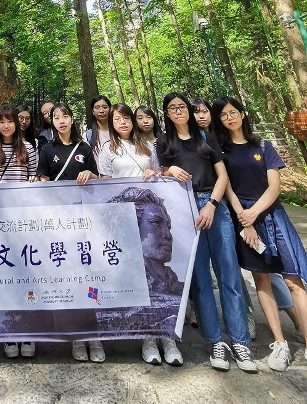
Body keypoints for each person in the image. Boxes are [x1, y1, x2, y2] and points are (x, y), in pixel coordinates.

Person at [156, 92, 257, 373]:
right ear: (167, 113)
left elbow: (222, 175)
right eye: (172, 108)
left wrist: (212, 205)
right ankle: (215, 341)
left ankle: (240, 341)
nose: (178, 111)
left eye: (181, 106)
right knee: (200, 279)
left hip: (214, 206)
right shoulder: (164, 142)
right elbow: (159, 173)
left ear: (189, 110)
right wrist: (169, 170)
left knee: (229, 274)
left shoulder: (205, 137)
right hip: (184, 211)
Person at [212, 96, 307, 371]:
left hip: (273, 216)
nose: (229, 118)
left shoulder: (263, 146)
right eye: (223, 115)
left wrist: (254, 213)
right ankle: (280, 342)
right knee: (261, 280)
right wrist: (246, 221)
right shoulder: (222, 150)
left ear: (242, 114)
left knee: (293, 281)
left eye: (233, 112)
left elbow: (275, 186)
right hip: (245, 220)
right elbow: (227, 187)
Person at [98, 104, 182, 367]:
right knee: (136, 275)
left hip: (151, 207)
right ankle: (147, 339)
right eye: (117, 120)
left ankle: (168, 339)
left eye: (126, 118)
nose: (122, 123)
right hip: (126, 216)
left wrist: (154, 173)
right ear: (112, 124)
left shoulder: (146, 145)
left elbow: (159, 174)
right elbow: (105, 183)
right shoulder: (107, 149)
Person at [37, 103, 100, 362]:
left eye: (65, 116)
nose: (61, 121)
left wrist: (89, 173)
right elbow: (42, 181)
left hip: (85, 221)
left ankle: (95, 336)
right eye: (56, 117)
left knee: (89, 275)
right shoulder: (47, 149)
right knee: (69, 275)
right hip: (59, 223)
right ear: (51, 122)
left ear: (72, 119)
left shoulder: (84, 148)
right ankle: (76, 335)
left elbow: (98, 178)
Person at [0, 105, 38, 359]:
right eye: (2, 122)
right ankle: (9, 333)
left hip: (24, 220)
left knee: (25, 275)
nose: (6, 126)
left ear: (17, 123)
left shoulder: (27, 148)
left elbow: (34, 178)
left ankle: (28, 332)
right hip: (0, 221)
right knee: (5, 276)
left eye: (10, 121)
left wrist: (33, 181)